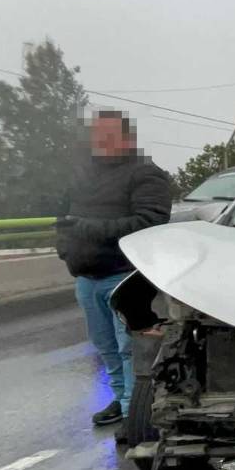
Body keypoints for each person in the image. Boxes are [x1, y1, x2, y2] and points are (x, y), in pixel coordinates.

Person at [56, 110, 171, 426]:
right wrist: (65, 249)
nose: (102, 142)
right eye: (97, 136)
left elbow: (152, 221)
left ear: (127, 138)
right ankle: (120, 402)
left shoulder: (146, 174)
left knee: (130, 349)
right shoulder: (84, 175)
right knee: (105, 347)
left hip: (125, 277)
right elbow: (65, 217)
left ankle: (137, 412)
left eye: (109, 135)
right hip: (87, 277)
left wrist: (91, 229)